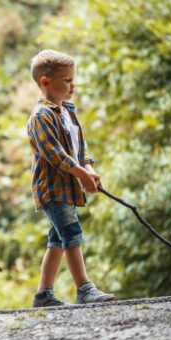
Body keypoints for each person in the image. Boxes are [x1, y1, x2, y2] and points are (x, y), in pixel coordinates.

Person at [26, 50, 116, 307]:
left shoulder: (66, 111)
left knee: (57, 239)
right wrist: (81, 173)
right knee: (71, 234)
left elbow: (79, 145)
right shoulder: (41, 116)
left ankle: (43, 294)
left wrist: (88, 166)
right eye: (66, 80)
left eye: (72, 79)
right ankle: (84, 289)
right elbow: (55, 155)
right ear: (45, 82)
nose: (72, 85)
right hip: (53, 189)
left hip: (67, 186)